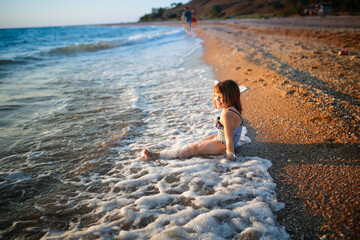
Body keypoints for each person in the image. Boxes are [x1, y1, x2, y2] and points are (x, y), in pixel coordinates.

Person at [142, 79, 243, 161]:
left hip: (223, 144)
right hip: (221, 139)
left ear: (231, 97)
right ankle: (168, 153)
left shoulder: (227, 114)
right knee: (199, 141)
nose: (217, 99)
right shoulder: (231, 110)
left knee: (194, 148)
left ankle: (158, 156)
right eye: (216, 96)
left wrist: (230, 156)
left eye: (220, 97)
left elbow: (229, 138)